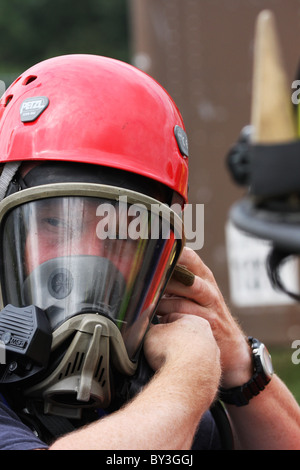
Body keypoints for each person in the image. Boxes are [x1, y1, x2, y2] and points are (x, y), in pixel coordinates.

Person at [0, 54, 298, 452]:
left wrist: (240, 364)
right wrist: (190, 376)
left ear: (162, 265)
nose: (89, 261)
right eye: (55, 225)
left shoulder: (156, 401)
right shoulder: (177, 394)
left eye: (120, 234)